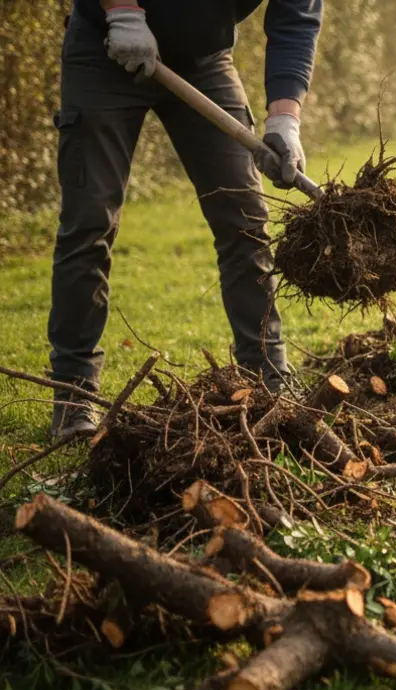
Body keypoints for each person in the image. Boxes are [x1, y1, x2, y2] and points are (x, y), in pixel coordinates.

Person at [49, 0, 323, 438]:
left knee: (244, 219)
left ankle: (268, 380)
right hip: (105, 47)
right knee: (89, 223)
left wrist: (285, 118)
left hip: (204, 61)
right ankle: (74, 395)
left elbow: (296, 19)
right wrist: (121, 11)